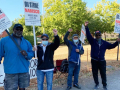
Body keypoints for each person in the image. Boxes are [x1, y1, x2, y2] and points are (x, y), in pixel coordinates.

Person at [85, 21, 120, 90]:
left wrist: (117, 42)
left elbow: (112, 46)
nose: (98, 36)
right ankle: (97, 84)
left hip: (102, 61)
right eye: (96, 35)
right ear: (95, 36)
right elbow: (88, 35)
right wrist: (86, 27)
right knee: (95, 73)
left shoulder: (105, 43)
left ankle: (104, 85)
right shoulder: (93, 41)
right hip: (94, 60)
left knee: (103, 73)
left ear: (101, 35)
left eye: (99, 35)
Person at [0, 24, 34, 90]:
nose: (19, 31)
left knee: (22, 88)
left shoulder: (27, 42)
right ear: (13, 30)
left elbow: (31, 54)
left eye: (20, 29)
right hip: (10, 71)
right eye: (17, 29)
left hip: (23, 70)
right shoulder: (4, 41)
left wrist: (26, 54)